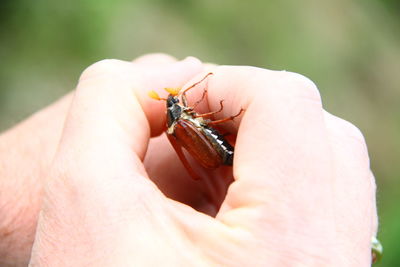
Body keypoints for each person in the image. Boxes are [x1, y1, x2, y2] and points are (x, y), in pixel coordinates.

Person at [0, 54, 378, 266]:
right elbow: (204, 124)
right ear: (177, 108)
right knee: (208, 127)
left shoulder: (178, 123)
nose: (176, 102)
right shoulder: (181, 123)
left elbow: (199, 123)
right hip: (214, 150)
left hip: (214, 153)